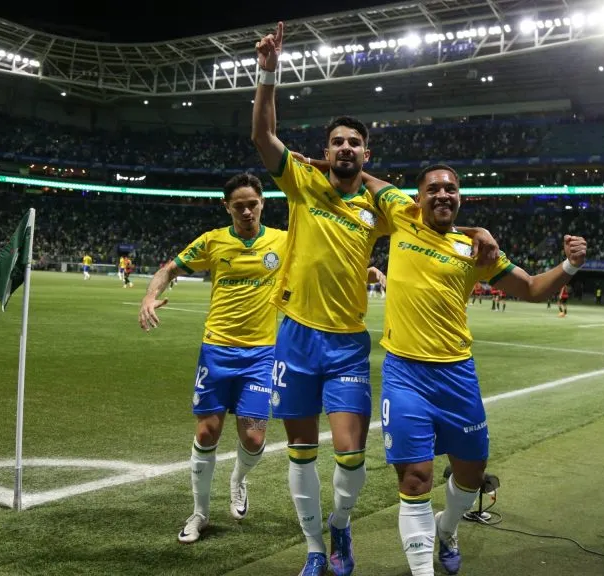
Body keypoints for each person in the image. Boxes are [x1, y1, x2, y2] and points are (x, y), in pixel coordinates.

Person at [252, 23, 498, 576]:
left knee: (352, 455)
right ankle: (319, 549)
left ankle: (340, 522)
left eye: (353, 144)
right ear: (325, 149)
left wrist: (478, 231)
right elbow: (264, 139)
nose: (344, 148)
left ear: (365, 153)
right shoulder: (300, 182)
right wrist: (268, 73)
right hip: (293, 332)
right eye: (336, 142)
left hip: (345, 344)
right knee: (299, 449)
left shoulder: (380, 205)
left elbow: (436, 218)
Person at [356, 164, 586, 576]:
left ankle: (447, 530)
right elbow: (358, 171)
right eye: (433, 189)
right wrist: (300, 158)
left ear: (459, 196)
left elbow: (532, 288)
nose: (442, 194)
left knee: (471, 474)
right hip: (405, 373)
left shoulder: (475, 249)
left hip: (457, 376)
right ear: (418, 196)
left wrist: (568, 265)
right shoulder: (398, 213)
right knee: (414, 479)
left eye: (451, 188)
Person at [138, 174, 285, 543]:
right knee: (207, 431)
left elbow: (317, 267)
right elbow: (169, 269)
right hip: (217, 350)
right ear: (227, 207)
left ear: (262, 203)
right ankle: (200, 513)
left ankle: (238, 479)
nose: (247, 211)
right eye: (239, 206)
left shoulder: (282, 241)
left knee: (252, 438)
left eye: (252, 204)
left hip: (261, 354)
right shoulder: (212, 241)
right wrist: (149, 296)